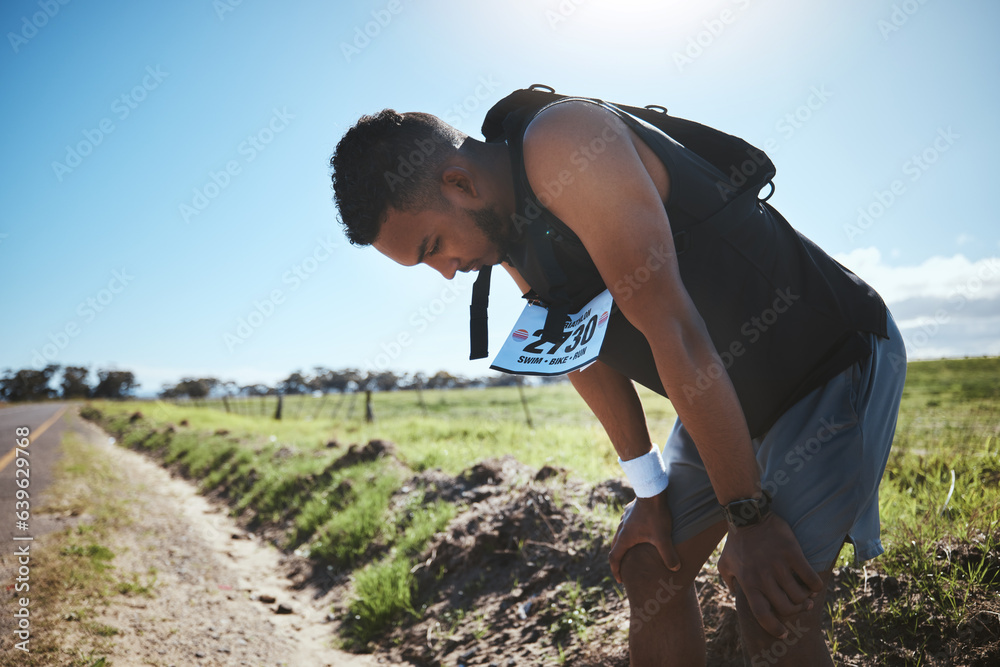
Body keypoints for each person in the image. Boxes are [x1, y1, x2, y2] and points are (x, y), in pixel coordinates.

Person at [329, 90, 907, 666]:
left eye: (433, 246)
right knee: (650, 565)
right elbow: (584, 354)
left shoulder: (569, 144)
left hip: (827, 361)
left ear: (460, 184)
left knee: (770, 611)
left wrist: (748, 517)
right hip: (730, 396)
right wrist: (649, 493)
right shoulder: (503, 231)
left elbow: (675, 333)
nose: (447, 272)